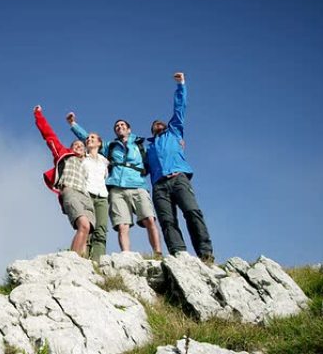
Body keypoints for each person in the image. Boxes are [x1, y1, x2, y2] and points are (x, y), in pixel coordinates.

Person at [67, 113, 162, 257]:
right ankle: (126, 255)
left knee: (149, 218)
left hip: (137, 184)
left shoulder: (140, 146)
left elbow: (153, 160)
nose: (119, 127)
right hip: (116, 187)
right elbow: (87, 138)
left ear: (129, 129)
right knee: (122, 225)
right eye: (117, 126)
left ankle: (158, 253)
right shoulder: (110, 147)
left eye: (123, 125)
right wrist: (73, 124)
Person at [147, 72, 214, 263]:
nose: (158, 125)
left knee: (192, 212)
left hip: (178, 179)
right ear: (152, 131)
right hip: (159, 186)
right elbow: (139, 167)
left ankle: (205, 253)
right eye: (154, 125)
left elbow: (179, 108)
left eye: (160, 123)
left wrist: (181, 85)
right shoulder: (149, 148)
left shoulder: (175, 132)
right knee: (167, 221)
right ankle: (179, 253)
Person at [34, 105, 95, 256]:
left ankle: (81, 262)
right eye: (76, 145)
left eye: (81, 145)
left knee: (87, 230)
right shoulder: (64, 154)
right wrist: (39, 115)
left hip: (86, 196)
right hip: (70, 191)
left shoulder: (90, 162)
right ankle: (71, 259)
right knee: (83, 224)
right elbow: (49, 135)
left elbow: (93, 143)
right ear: (71, 148)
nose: (79, 146)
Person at [80, 132, 110, 260]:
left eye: (92, 137)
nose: (89, 139)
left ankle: (98, 260)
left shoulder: (105, 161)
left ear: (99, 143)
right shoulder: (82, 159)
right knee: (87, 228)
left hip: (102, 196)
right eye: (87, 138)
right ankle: (83, 259)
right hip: (87, 195)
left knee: (101, 229)